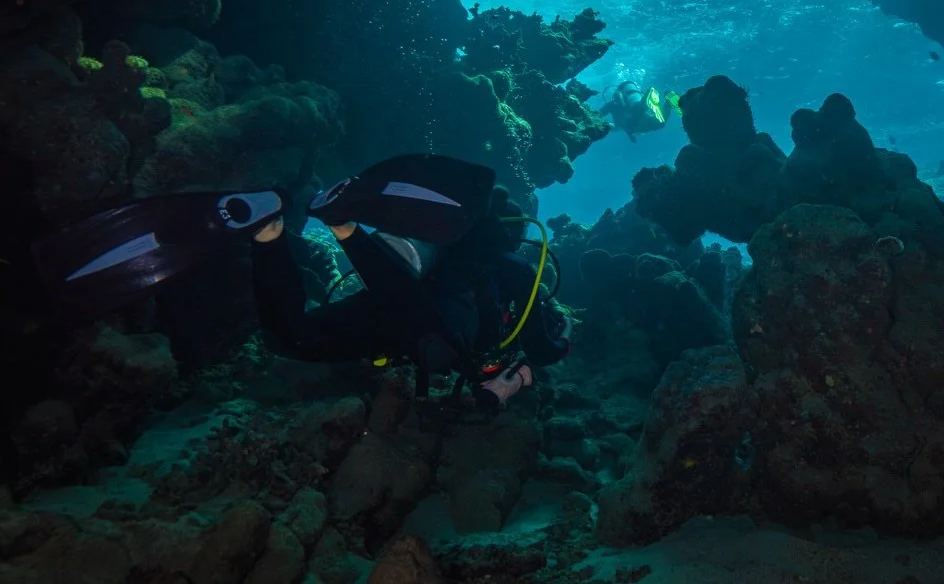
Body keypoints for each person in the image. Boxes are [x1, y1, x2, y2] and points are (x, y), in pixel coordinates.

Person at [30, 154, 571, 414]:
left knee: (294, 335)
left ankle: (269, 232)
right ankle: (342, 226)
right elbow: (545, 350)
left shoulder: (449, 249)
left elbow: (412, 280)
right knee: (431, 336)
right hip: (422, 322)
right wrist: (558, 337)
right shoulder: (517, 271)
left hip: (394, 300)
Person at [601, 81, 682, 142]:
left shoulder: (612, 105)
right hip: (642, 117)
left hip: (634, 120)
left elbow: (599, 114)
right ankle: (668, 100)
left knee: (655, 122)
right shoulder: (617, 105)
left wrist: (606, 125)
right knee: (658, 123)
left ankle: (648, 98)